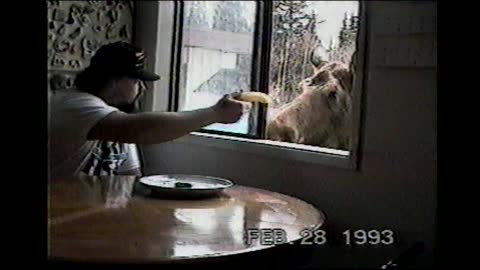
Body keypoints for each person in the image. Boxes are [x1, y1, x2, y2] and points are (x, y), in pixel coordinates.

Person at [48, 41, 248, 180]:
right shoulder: (74, 104)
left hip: (101, 221)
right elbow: (141, 130)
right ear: (117, 80)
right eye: (137, 81)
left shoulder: (113, 118)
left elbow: (130, 178)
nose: (142, 89)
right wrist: (215, 114)